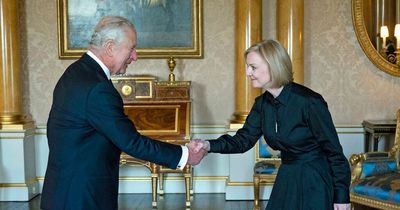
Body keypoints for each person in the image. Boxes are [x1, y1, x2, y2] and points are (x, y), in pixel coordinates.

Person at [40, 16, 206, 210]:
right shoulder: (96, 88)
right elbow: (131, 142)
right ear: (110, 47)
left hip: (63, 193)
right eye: (132, 48)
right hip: (82, 198)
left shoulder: (76, 72)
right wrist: (185, 155)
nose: (135, 56)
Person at [188, 40, 351, 210]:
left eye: (253, 67)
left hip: (315, 179)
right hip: (287, 176)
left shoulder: (309, 102)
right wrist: (207, 145)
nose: (247, 72)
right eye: (247, 67)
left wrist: (341, 196)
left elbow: (334, 152)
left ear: (273, 66)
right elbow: (243, 140)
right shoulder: (262, 104)